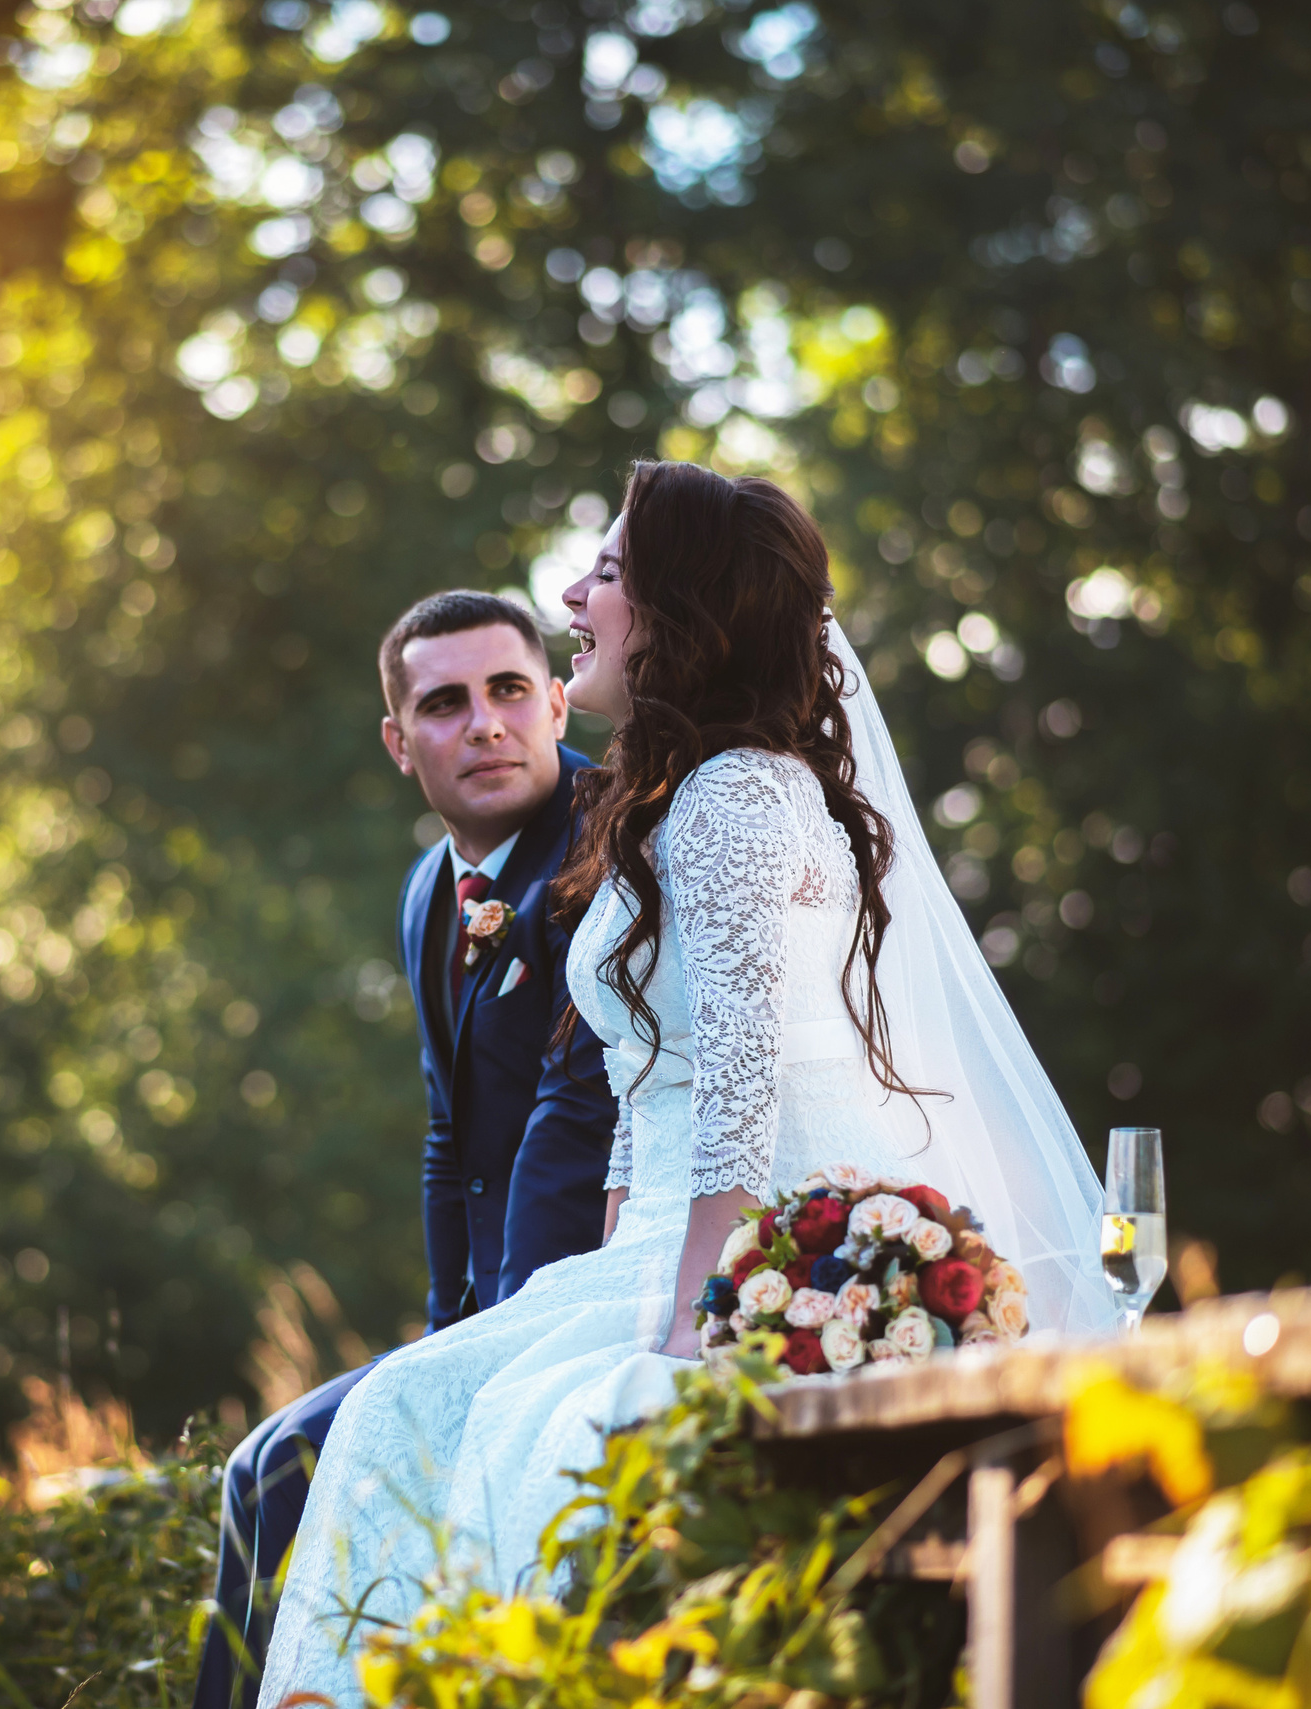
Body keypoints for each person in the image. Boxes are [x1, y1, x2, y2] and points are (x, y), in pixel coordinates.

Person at [254, 463, 1118, 1708]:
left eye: (603, 573)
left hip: (738, 1233)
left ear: (677, 614)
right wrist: (600, 1267)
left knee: (533, 1431)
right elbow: (644, 1082)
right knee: (399, 1406)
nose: (570, 595)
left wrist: (689, 1316)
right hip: (657, 1236)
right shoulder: (671, 803)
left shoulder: (735, 799)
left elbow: (737, 1088)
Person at [191, 591, 618, 1709]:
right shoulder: (429, 891)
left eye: (508, 690)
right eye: (444, 702)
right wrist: (443, 1334)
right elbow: (450, 1136)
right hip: (487, 1315)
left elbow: (574, 1125)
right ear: (398, 741)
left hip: (594, 1304)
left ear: (557, 698)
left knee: (285, 1471)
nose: (483, 723)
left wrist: (480, 1364)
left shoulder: (620, 840)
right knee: (265, 1472)